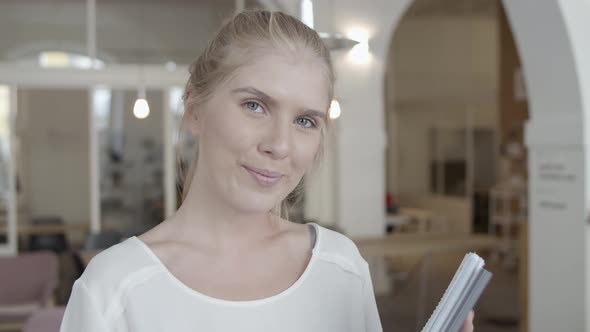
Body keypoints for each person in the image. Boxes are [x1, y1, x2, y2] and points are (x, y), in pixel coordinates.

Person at [60, 10, 474, 332]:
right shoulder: (115, 290)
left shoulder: (341, 268)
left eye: (305, 121)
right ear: (194, 108)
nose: (279, 144)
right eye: (255, 105)